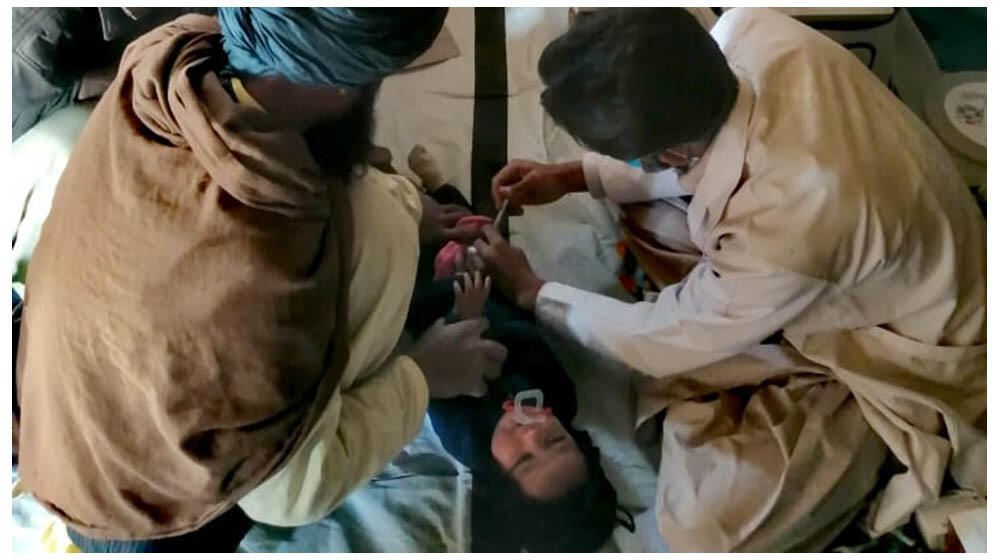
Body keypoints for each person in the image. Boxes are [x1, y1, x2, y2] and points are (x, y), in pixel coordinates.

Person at [478, 7, 985, 553]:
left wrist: (537, 293)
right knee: (648, 222)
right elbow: (698, 147)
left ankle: (853, 442)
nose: (536, 434)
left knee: (706, 531)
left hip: (894, 348)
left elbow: (662, 338)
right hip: (844, 254)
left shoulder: (791, 222)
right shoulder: (750, 27)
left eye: (618, 155)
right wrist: (577, 175)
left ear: (667, 154)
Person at [16, 8, 507, 552]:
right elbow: (287, 495)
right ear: (356, 83)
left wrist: (409, 200)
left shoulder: (164, 58)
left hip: (54, 450)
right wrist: (424, 376)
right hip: (147, 524)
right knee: (381, 225)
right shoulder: (326, 244)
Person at [401, 150, 627, 551]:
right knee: (478, 228)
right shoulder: (560, 396)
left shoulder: (467, 437)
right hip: (494, 299)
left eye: (523, 460)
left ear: (495, 477)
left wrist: (461, 314)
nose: (533, 432)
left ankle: (408, 202)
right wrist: (501, 299)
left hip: (436, 311)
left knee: (409, 256)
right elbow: (533, 335)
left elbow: (436, 377)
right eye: (556, 442)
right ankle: (437, 185)